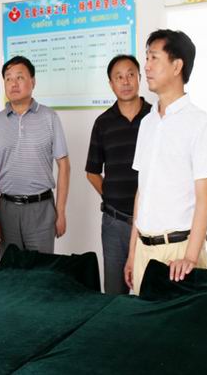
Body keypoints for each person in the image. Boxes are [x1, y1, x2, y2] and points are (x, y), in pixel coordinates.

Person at [125, 30, 207, 294]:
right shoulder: (147, 122)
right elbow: (142, 192)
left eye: (154, 58)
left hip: (179, 252)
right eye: (146, 58)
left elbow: (204, 198)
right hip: (144, 249)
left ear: (177, 66)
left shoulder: (200, 123)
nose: (146, 66)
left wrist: (190, 257)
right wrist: (132, 253)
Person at [0, 56, 70, 256]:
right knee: (11, 271)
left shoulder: (50, 118)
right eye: (8, 79)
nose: (13, 83)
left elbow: (64, 166)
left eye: (20, 77)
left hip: (41, 209)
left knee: (41, 271)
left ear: (33, 81)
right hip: (7, 211)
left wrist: (61, 211)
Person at [85, 55, 152, 295]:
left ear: (140, 78)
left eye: (130, 75)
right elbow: (92, 172)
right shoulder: (103, 123)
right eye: (119, 77)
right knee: (114, 293)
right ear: (111, 84)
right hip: (115, 223)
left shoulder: (155, 118)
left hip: (151, 221)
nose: (125, 82)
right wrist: (111, 195)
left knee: (151, 291)